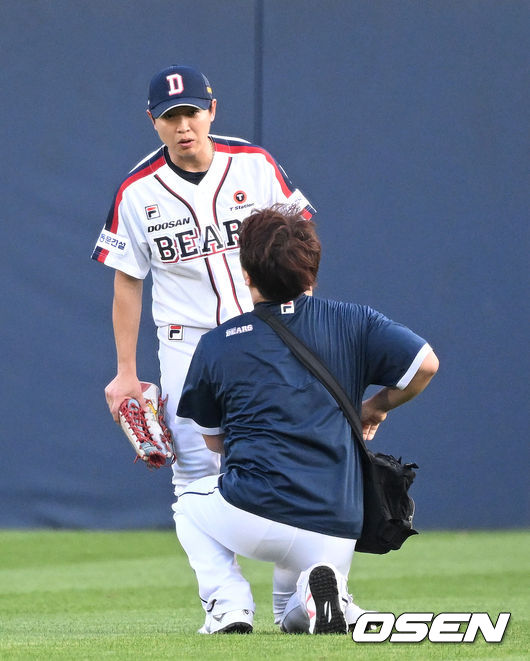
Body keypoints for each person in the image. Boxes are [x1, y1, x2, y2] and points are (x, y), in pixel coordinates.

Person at [174, 206, 439, 635]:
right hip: (336, 523)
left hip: (254, 513)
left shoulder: (216, 344)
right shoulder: (355, 321)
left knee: (187, 502)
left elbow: (213, 444)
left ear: (246, 273)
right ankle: (325, 597)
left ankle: (229, 607)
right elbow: (426, 364)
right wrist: (377, 406)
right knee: (293, 616)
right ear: (311, 272)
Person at [91, 65, 315, 493]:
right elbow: (127, 282)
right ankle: (216, 565)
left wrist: (304, 321)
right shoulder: (137, 190)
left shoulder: (254, 165)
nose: (182, 126)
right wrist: (125, 372)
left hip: (263, 329)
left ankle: (296, 562)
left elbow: (301, 245)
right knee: (195, 469)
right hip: (185, 341)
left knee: (283, 458)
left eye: (191, 112)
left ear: (212, 110)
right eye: (170, 116)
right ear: (152, 120)